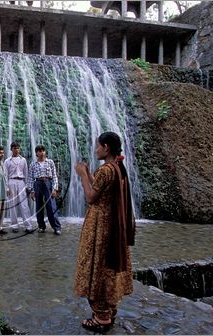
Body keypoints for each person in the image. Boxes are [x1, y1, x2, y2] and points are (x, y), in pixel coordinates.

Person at [73, 131, 135, 333]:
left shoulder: (106, 170)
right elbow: (102, 188)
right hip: (112, 225)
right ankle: (109, 309)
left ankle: (101, 318)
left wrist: (82, 175)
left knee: (96, 267)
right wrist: (91, 174)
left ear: (106, 148)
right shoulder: (116, 168)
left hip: (100, 226)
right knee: (107, 267)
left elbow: (91, 197)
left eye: (98, 146)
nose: (96, 149)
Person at [27, 145, 62, 235]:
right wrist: (31, 191)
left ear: (45, 152)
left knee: (51, 206)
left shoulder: (50, 162)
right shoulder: (33, 164)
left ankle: (56, 227)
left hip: (48, 183)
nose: (41, 152)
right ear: (36, 153)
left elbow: (54, 176)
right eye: (39, 151)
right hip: (37, 183)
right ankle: (41, 226)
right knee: (39, 206)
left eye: (43, 150)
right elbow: (30, 178)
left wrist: (54, 188)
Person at [4, 142, 35, 234]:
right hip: (11, 181)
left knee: (24, 204)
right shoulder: (7, 161)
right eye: (15, 148)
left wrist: (27, 186)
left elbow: (26, 173)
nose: (17, 150)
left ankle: (28, 226)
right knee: (12, 205)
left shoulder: (23, 160)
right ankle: (14, 225)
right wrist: (7, 188)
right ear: (11, 149)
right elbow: (5, 175)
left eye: (18, 148)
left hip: (21, 182)